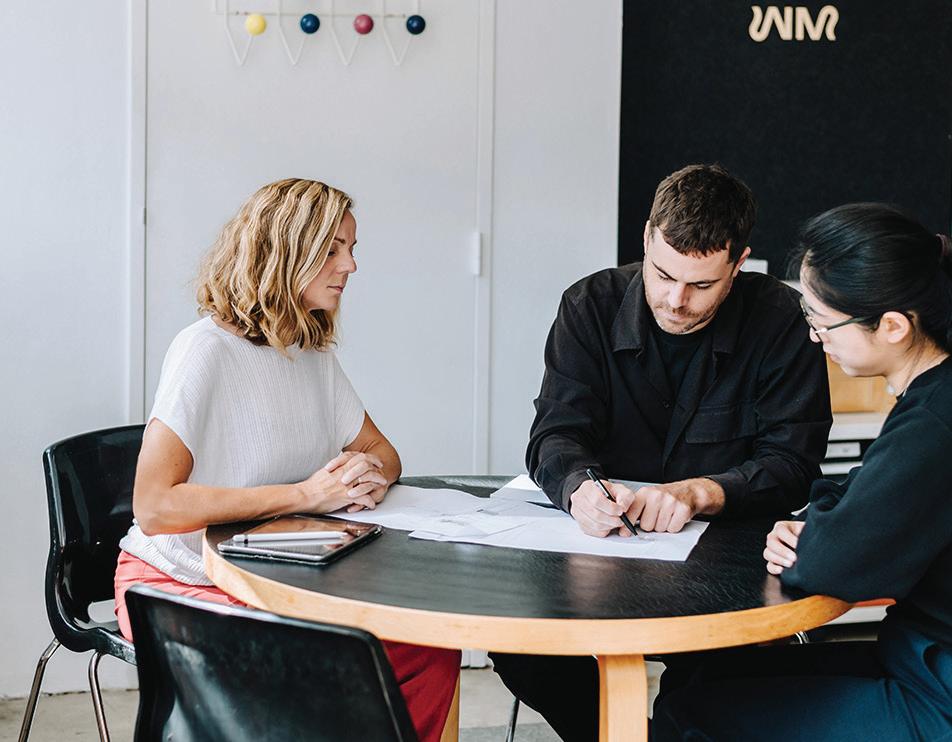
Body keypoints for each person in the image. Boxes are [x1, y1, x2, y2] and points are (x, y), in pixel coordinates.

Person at [492, 164, 833, 741]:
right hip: (597, 551)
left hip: (727, 563)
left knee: (717, 681)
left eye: (701, 285)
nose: (676, 300)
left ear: (739, 263)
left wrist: (702, 492)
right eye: (663, 274)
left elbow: (793, 464)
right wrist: (579, 490)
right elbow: (555, 433)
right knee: (522, 646)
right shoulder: (589, 305)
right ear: (647, 239)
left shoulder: (782, 320)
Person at [114, 178, 460, 742]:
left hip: (276, 578)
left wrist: (367, 477)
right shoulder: (205, 350)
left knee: (427, 653)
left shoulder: (310, 353)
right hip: (178, 582)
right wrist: (306, 495)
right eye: (332, 249)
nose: (351, 266)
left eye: (352, 248)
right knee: (320, 670)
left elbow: (383, 452)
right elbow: (153, 507)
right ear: (285, 250)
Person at [652, 203, 952, 741]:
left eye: (821, 320)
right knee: (698, 678)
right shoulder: (932, 396)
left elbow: (833, 563)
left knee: (687, 715)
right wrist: (826, 523)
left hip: (936, 692)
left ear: (892, 326)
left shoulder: (934, 422)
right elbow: (855, 498)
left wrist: (819, 535)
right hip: (917, 658)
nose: (814, 336)